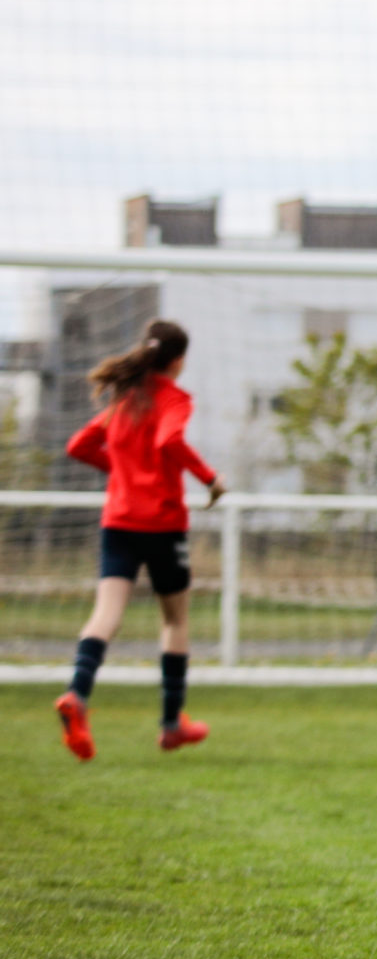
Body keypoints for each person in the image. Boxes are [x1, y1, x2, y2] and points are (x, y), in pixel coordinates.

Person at [54, 319, 225, 761]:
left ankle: (77, 695)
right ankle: (171, 725)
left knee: (105, 615)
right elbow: (169, 438)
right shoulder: (174, 398)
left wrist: (123, 472)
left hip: (118, 522)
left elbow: (78, 446)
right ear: (178, 360)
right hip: (163, 525)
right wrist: (210, 479)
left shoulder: (125, 398)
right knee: (174, 621)